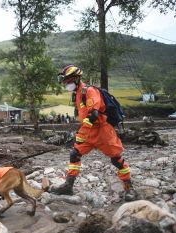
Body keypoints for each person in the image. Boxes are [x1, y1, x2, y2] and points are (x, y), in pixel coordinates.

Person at [51, 65, 135, 200]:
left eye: (68, 80)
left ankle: (129, 188)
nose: (66, 84)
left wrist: (81, 133)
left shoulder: (89, 91)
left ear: (77, 78)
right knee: (75, 154)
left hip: (102, 131)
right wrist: (82, 132)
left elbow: (94, 115)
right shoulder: (77, 93)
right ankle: (68, 186)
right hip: (89, 132)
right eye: (65, 81)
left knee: (117, 160)